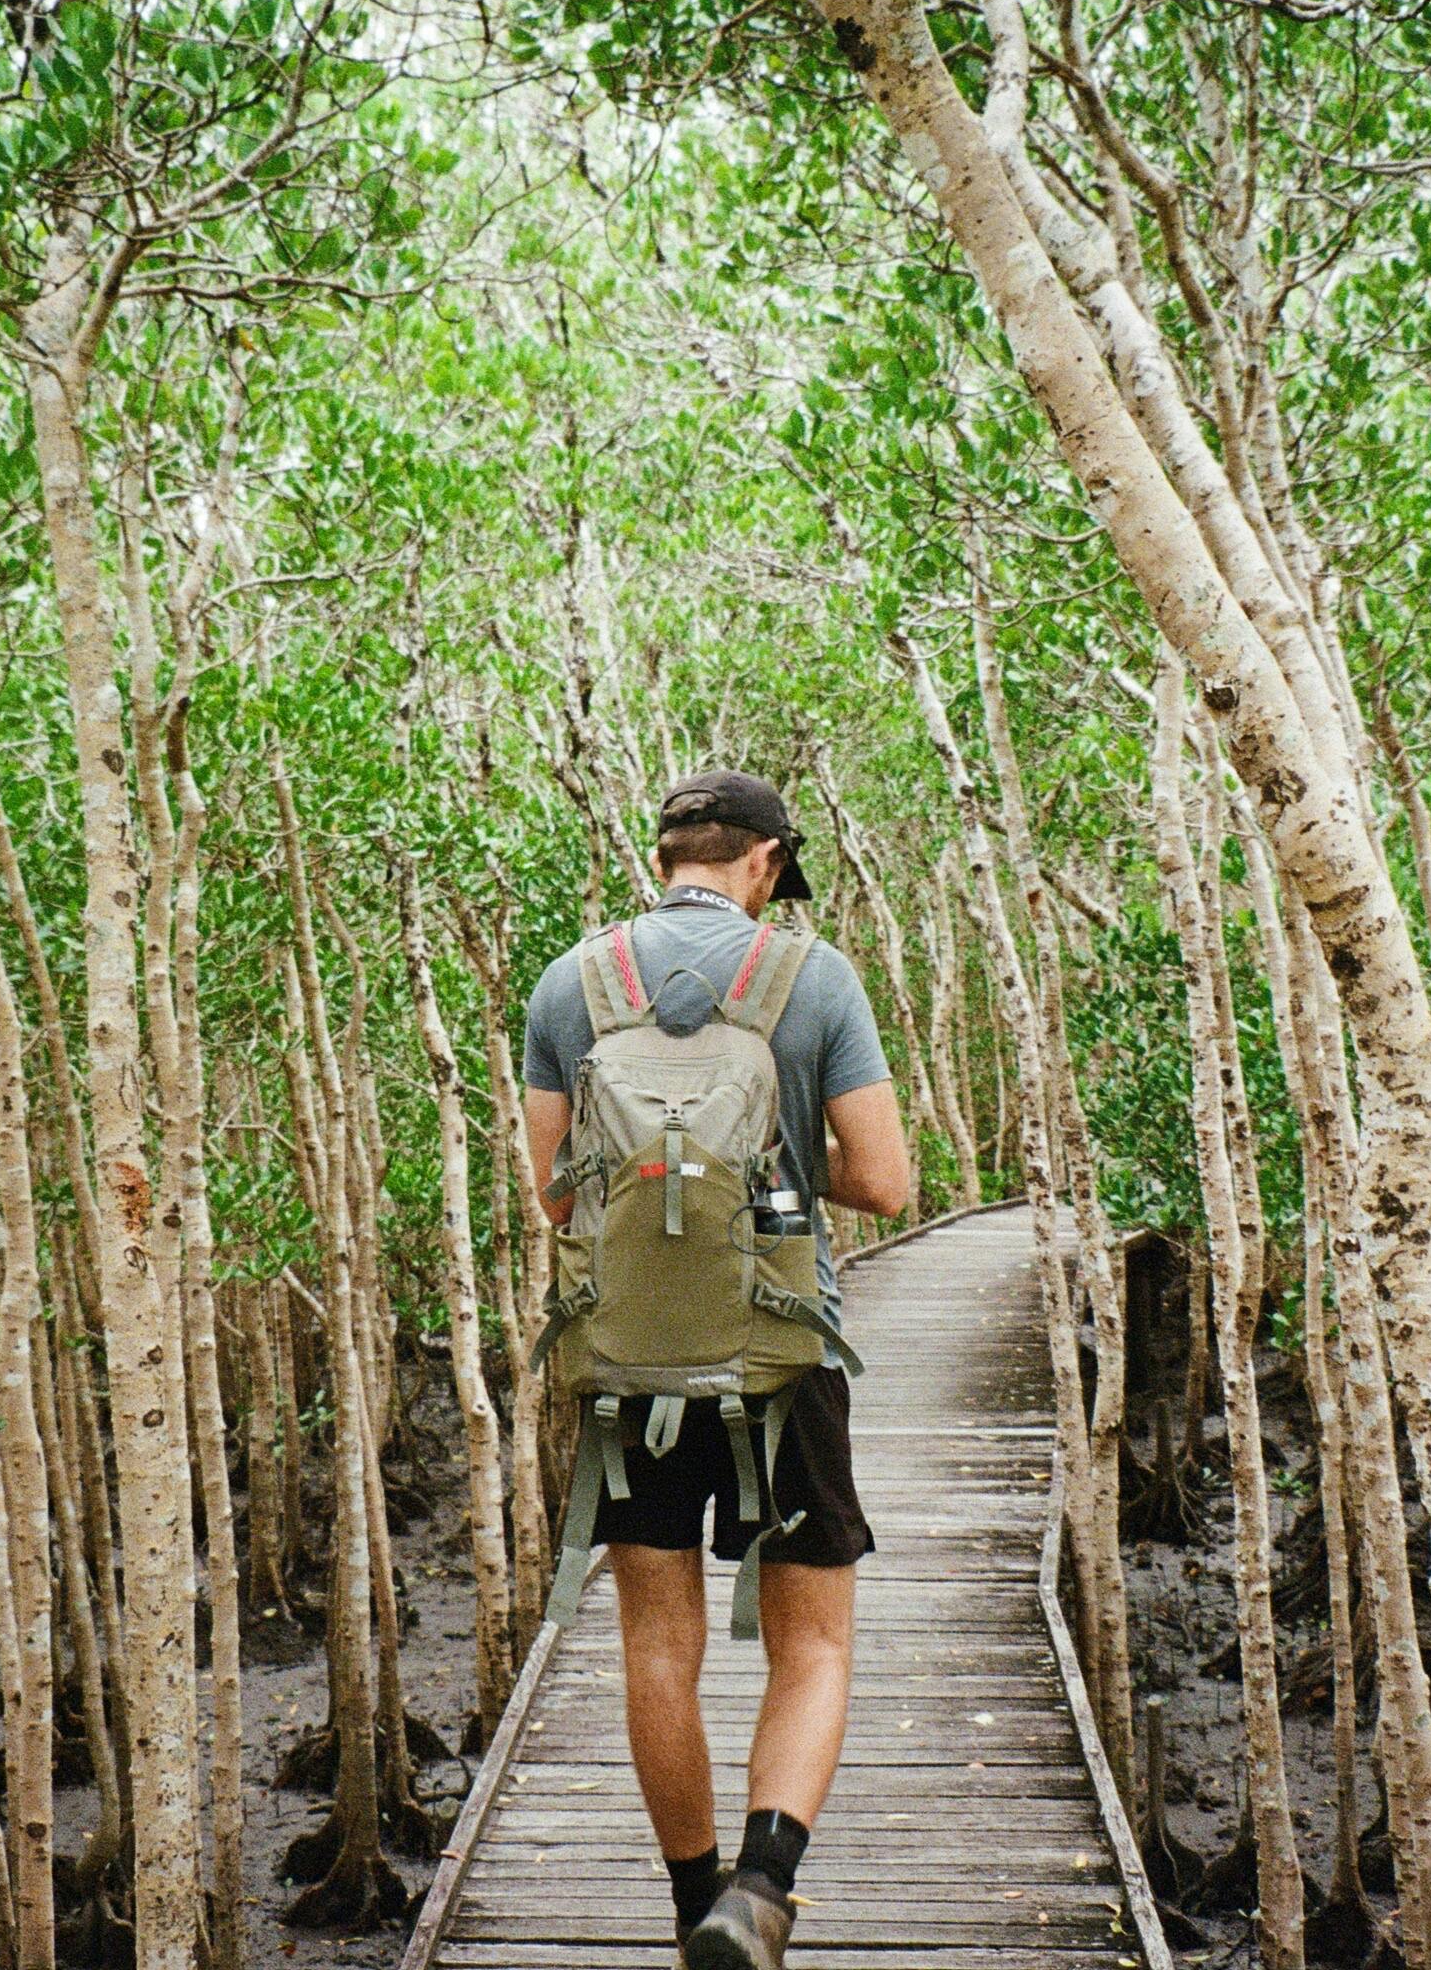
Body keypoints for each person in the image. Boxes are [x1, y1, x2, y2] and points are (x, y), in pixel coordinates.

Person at [524, 770, 915, 1970]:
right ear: (762, 864)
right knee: (812, 1643)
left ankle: (687, 1894)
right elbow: (888, 1182)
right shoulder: (814, 978)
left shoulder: (570, 984)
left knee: (657, 1640)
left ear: (670, 856)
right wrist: (783, 1171)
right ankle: (759, 1886)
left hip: (628, 1362)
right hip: (783, 1352)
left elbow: (554, 1196)